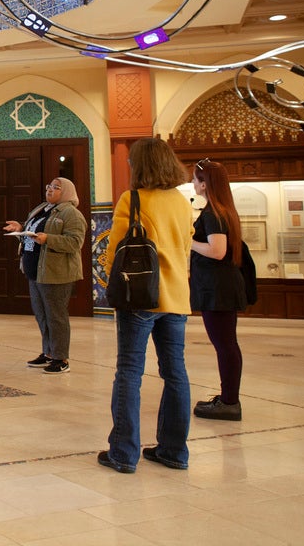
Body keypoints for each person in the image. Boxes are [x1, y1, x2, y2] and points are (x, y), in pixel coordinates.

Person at [99, 137, 194, 474]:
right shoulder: (182, 202)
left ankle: (124, 454)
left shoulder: (134, 199)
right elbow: (185, 247)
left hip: (139, 297)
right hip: (177, 297)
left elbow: (116, 249)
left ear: (139, 165)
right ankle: (174, 451)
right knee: (176, 373)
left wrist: (110, 283)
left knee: (129, 371)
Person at [4, 177, 87, 374]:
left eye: (56, 187)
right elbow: (36, 229)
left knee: (56, 316)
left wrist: (48, 239)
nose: (50, 190)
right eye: (49, 186)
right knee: (42, 315)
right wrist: (21, 228)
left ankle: (61, 358)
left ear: (66, 192)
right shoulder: (43, 208)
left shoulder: (71, 213)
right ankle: (48, 353)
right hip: (36, 270)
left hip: (56, 272)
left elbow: (75, 242)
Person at [189, 158, 248, 421]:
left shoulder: (214, 213)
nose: (192, 183)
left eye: (195, 179)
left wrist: (187, 241)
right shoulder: (221, 210)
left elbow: (217, 250)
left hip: (218, 289)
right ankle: (227, 398)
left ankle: (229, 402)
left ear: (204, 184)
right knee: (226, 344)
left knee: (225, 345)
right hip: (219, 286)